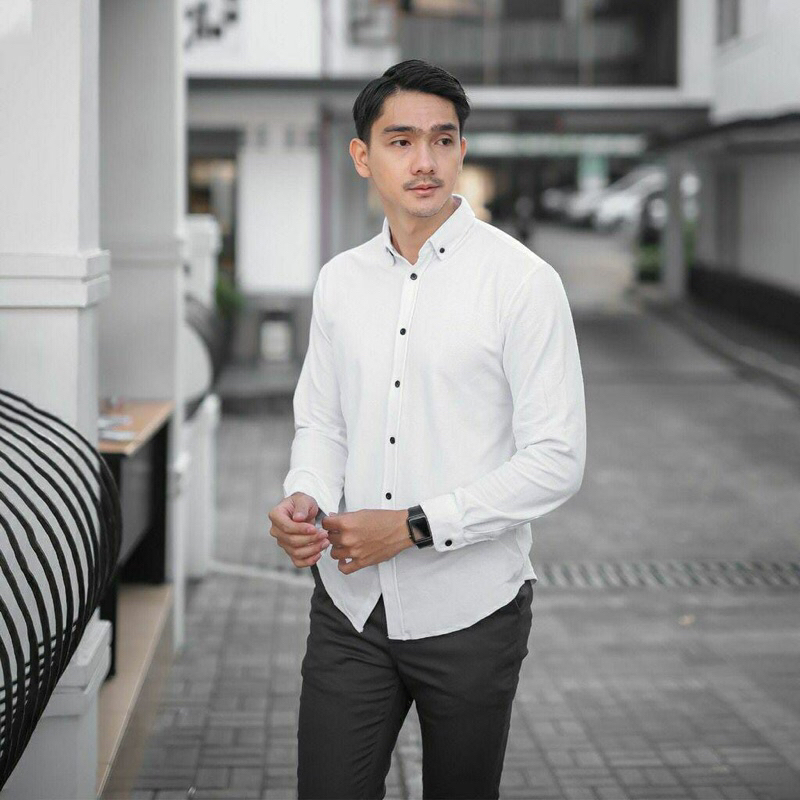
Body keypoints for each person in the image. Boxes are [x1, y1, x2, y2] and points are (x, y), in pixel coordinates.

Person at [268, 59, 586, 800]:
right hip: (350, 608)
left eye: (443, 140)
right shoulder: (340, 281)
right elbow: (323, 420)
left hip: (472, 611)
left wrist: (413, 527)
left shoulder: (523, 282)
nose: (425, 161)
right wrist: (306, 493)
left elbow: (557, 459)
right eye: (401, 140)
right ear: (362, 156)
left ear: (461, 151)